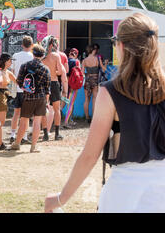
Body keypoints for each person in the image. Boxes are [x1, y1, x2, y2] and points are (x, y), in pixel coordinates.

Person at [45, 13, 165, 213]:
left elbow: (90, 155)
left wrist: (60, 199)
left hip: (125, 190)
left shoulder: (111, 91)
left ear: (122, 46)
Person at [11, 44, 50, 153]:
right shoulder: (45, 69)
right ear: (42, 56)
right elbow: (47, 88)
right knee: (37, 122)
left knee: (23, 121)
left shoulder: (25, 66)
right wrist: (46, 102)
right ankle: (33, 146)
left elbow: (19, 81)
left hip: (27, 97)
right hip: (41, 97)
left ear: (33, 54)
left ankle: (17, 143)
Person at [9, 36, 34, 144]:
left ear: (22, 45)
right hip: (28, 89)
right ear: (32, 45)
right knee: (26, 115)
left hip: (17, 87)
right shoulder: (33, 57)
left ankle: (13, 134)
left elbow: (12, 71)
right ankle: (23, 136)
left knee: (16, 113)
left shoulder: (15, 55)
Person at [40, 36, 64, 141]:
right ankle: (57, 134)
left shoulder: (41, 57)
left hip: (43, 84)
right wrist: (54, 72)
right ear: (51, 45)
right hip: (54, 82)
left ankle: (45, 133)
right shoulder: (55, 56)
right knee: (56, 109)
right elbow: (60, 71)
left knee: (44, 109)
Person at [82, 44, 107, 124]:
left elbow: (82, 72)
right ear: (94, 50)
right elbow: (103, 69)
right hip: (95, 79)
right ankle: (93, 117)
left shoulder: (84, 60)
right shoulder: (97, 59)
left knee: (86, 99)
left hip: (87, 79)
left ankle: (87, 118)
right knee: (94, 98)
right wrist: (105, 63)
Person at [64, 48, 81, 127]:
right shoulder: (77, 62)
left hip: (65, 85)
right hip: (73, 86)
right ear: (76, 55)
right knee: (71, 104)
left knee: (63, 103)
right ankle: (66, 122)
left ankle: (58, 119)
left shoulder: (65, 60)